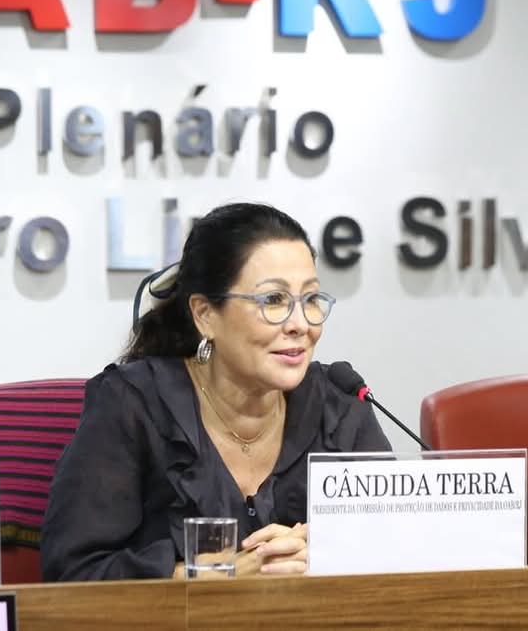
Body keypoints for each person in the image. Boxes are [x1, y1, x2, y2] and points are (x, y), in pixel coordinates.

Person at [41, 203, 391, 581]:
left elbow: (400, 549)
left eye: (310, 300)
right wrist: (219, 576)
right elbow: (73, 574)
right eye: (273, 300)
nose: (300, 324)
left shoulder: (340, 407)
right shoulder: (132, 405)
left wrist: (327, 556)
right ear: (205, 315)